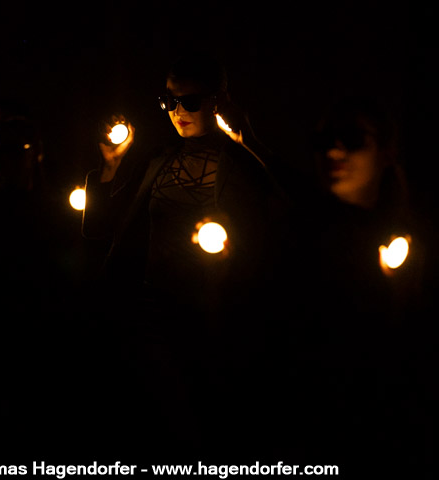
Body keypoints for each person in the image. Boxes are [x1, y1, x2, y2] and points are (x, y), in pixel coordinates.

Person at [81, 52, 291, 461]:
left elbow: (291, 212)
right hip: (152, 310)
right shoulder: (158, 157)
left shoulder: (245, 161)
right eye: (169, 101)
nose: (178, 112)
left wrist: (250, 142)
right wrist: (111, 166)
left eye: (190, 101)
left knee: (209, 429)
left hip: (218, 315)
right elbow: (98, 228)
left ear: (219, 100)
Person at [285, 95, 439, 478]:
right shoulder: (295, 239)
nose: (333, 150)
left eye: (352, 138)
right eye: (323, 140)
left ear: (388, 151)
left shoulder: (424, 243)